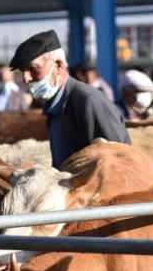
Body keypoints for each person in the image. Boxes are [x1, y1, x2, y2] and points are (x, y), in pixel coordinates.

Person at [10, 30, 130, 169]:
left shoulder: (88, 101)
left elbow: (120, 164)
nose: (26, 78)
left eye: (33, 68)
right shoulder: (54, 106)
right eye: (22, 71)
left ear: (59, 65)